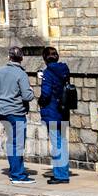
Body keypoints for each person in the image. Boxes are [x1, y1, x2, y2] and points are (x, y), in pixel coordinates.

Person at [0, 46, 34, 186]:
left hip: (3, 111)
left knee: (11, 142)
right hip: (16, 112)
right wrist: (32, 91)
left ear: (9, 57)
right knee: (17, 144)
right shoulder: (21, 73)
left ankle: (14, 171)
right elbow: (27, 95)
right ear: (21, 58)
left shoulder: (0, 71)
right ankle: (18, 175)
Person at [38, 46, 72, 184]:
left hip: (52, 112)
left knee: (57, 144)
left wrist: (41, 101)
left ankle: (61, 175)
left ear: (45, 58)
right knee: (62, 142)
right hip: (63, 111)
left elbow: (46, 94)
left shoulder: (48, 72)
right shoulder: (64, 70)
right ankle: (62, 172)